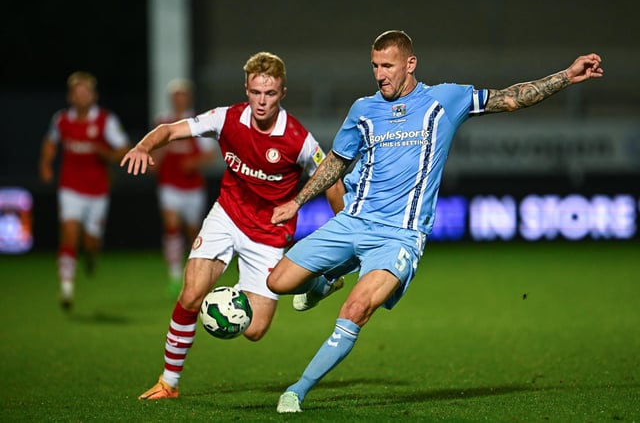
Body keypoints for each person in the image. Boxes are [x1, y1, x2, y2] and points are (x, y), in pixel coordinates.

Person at [266, 30, 604, 413]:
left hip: (401, 236)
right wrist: (297, 202)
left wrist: (566, 75)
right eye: (375, 66)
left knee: (357, 308)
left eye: (388, 65)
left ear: (410, 64)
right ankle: (327, 280)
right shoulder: (363, 109)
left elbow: (509, 99)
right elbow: (337, 163)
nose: (380, 74)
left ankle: (297, 390)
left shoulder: (445, 99)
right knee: (277, 281)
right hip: (355, 221)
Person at [120, 51, 346, 400]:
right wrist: (142, 145)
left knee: (254, 331)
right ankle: (168, 383)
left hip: (269, 236)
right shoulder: (226, 118)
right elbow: (170, 130)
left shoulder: (298, 138)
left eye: (270, 94)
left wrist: (342, 225)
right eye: (256, 92)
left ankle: (314, 281)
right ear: (246, 88)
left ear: (282, 93)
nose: (261, 101)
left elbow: (330, 178)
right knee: (191, 294)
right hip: (226, 216)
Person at [39, 71, 130, 311]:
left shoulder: (105, 120)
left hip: (98, 191)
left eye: (86, 91)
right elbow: (50, 142)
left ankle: (90, 256)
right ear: (71, 96)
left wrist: (107, 154)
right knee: (69, 234)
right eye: (78, 92)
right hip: (70, 188)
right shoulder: (62, 120)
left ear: (94, 95)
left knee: (91, 242)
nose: (82, 96)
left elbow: (124, 149)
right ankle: (67, 288)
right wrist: (46, 164)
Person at [152, 79, 216, 297]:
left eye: (183, 95)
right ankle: (174, 275)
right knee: (171, 226)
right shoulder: (163, 122)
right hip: (169, 185)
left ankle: (193, 272)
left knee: (193, 231)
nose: (179, 100)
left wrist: (193, 163)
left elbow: (209, 155)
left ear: (188, 98)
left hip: (192, 187)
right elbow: (155, 151)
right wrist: (155, 158)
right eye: (175, 96)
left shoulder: (197, 122)